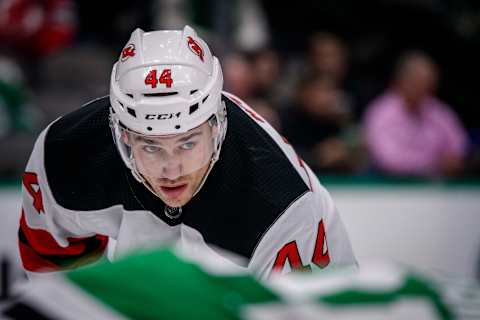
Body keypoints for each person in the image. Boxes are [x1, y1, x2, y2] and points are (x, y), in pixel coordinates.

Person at [18, 26, 356, 280]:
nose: (171, 169)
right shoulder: (64, 154)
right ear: (121, 135)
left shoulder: (282, 205)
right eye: (150, 145)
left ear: (217, 127)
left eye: (188, 142)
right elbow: (53, 272)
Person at [363, 51, 468, 177]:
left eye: (428, 84)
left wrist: (452, 160)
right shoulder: (380, 113)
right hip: (391, 189)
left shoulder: (439, 111)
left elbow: (459, 148)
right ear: (401, 81)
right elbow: (387, 160)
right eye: (418, 83)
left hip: (439, 188)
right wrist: (435, 164)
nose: (424, 89)